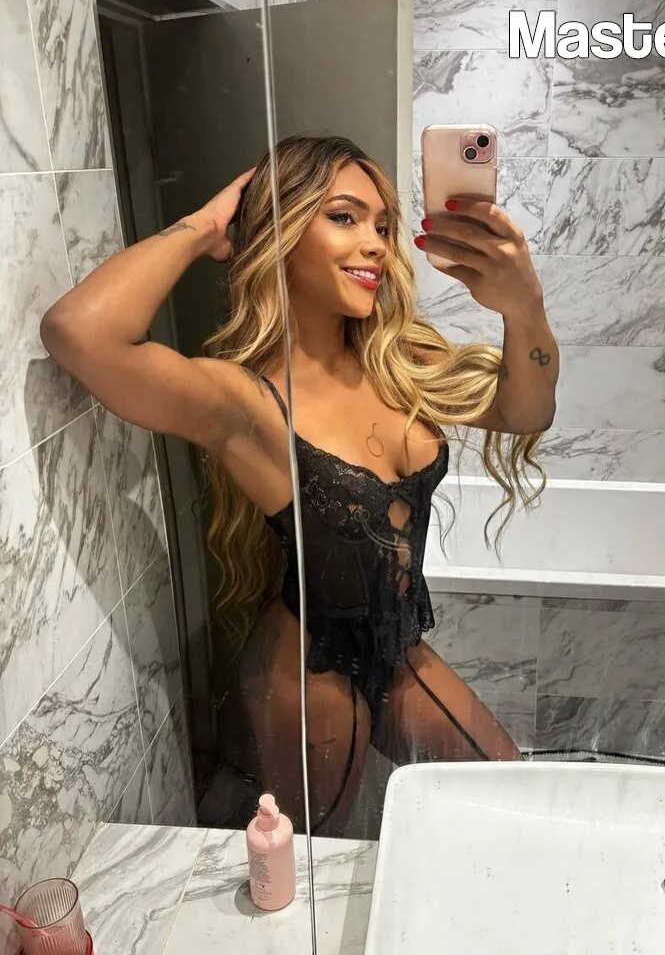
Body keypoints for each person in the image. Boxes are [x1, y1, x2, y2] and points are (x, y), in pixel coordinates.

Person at [40, 135, 559, 836]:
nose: (375, 244)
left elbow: (528, 411)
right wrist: (206, 224)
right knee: (311, 859)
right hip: (309, 666)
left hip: (397, 649)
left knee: (518, 803)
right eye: (344, 217)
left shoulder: (400, 361)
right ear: (280, 234)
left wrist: (524, 307)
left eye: (383, 226)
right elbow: (78, 333)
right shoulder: (246, 403)